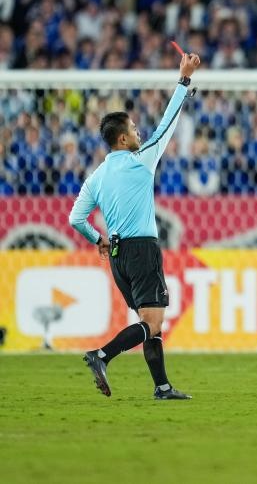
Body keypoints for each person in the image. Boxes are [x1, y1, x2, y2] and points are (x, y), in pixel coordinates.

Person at [69, 52, 202, 400]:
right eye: (133, 129)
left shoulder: (96, 176)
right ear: (123, 140)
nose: (138, 131)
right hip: (142, 249)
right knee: (153, 322)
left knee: (149, 324)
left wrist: (97, 239)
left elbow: (75, 218)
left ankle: (162, 387)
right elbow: (167, 125)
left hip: (117, 256)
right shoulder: (140, 160)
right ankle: (101, 356)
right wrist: (184, 80)